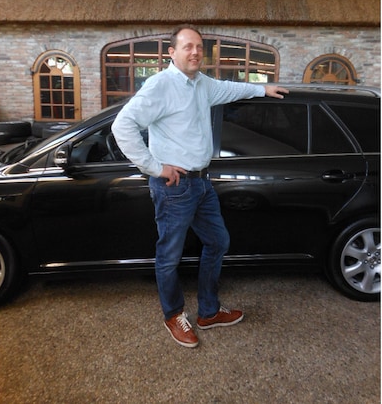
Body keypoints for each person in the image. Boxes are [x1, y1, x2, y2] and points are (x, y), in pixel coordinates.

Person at [111, 24, 289, 348]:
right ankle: (173, 314)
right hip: (174, 187)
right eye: (187, 46)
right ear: (172, 52)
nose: (195, 52)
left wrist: (262, 89)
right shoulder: (160, 85)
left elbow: (230, 89)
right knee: (169, 256)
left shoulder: (202, 83)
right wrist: (155, 167)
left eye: (199, 47)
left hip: (201, 184)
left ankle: (208, 311)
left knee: (218, 241)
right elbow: (122, 125)